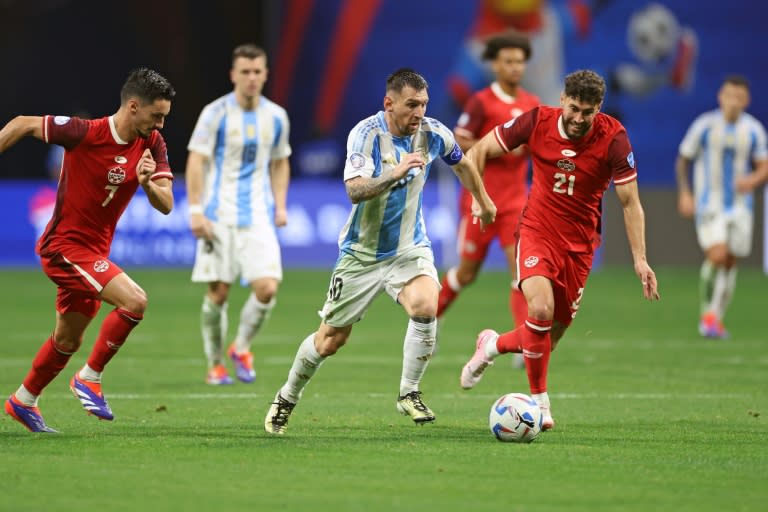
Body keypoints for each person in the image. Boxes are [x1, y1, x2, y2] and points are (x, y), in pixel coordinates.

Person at [264, 68, 496, 434]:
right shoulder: (366, 134)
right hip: (361, 254)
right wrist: (396, 172)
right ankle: (287, 396)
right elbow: (355, 190)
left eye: (423, 104)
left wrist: (482, 200)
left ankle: (409, 393)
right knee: (330, 340)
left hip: (409, 247)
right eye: (411, 104)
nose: (418, 112)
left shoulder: (433, 133)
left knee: (425, 304)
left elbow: (462, 162)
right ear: (389, 103)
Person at [459, 69, 659, 431]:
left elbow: (631, 203)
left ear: (598, 107)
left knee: (547, 339)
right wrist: (480, 199)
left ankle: (491, 345)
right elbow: (479, 150)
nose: (579, 118)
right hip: (536, 230)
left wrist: (640, 259)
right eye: (574, 109)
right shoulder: (538, 121)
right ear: (563, 100)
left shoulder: (614, 138)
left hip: (581, 246)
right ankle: (540, 403)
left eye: (588, 112)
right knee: (540, 308)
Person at [0, 68, 176, 432]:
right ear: (132, 107)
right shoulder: (85, 132)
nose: (160, 125)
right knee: (135, 301)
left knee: (68, 338)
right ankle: (89, 377)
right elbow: (21, 123)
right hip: (63, 247)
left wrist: (146, 184)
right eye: (156, 116)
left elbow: (167, 204)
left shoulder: (152, 144)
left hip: (94, 254)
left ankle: (23, 400)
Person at [186, 44, 291, 385]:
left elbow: (280, 161)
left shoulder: (276, 117)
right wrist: (196, 210)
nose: (251, 78)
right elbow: (196, 160)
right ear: (233, 75)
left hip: (257, 216)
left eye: (257, 71)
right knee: (218, 294)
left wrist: (280, 205)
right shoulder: (214, 113)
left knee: (267, 289)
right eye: (244, 71)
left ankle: (241, 347)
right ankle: (215, 364)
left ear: (265, 75)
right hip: (218, 217)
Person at [437, 30, 539, 369]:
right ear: (495, 64)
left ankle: (524, 342)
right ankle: (428, 321)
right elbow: (458, 141)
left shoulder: (532, 105)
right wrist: (497, 141)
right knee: (465, 274)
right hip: (480, 202)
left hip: (515, 203)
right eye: (508, 61)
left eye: (519, 62)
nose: (514, 68)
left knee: (520, 272)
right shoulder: (481, 102)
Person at [675, 75, 768, 339]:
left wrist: (752, 179)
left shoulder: (753, 130)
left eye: (739, 98)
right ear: (721, 97)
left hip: (741, 207)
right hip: (709, 204)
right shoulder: (704, 126)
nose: (733, 102)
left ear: (746, 101)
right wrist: (685, 193)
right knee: (717, 255)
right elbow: (683, 159)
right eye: (729, 96)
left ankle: (715, 317)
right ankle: (708, 314)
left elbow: (764, 166)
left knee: (729, 261)